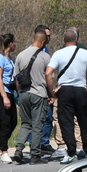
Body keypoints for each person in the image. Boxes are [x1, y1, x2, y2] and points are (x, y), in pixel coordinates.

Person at [46, 28, 87, 164]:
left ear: (64, 40)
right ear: (77, 40)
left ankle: (71, 152)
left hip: (65, 90)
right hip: (81, 90)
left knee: (66, 122)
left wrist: (52, 91)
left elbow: (48, 73)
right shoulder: (85, 53)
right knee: (84, 121)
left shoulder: (58, 54)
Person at [12, 27, 52, 165]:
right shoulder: (45, 57)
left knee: (25, 123)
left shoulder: (20, 55)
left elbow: (16, 78)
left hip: (23, 94)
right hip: (38, 94)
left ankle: (18, 149)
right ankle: (35, 154)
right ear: (42, 42)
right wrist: (51, 94)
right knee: (37, 124)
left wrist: (19, 94)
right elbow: (49, 78)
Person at [0, 33, 17, 164]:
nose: (15, 45)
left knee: (13, 121)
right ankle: (4, 151)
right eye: (14, 42)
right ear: (10, 43)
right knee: (5, 121)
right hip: (0, 93)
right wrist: (4, 97)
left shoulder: (10, 59)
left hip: (10, 92)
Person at [37, 25, 56, 154]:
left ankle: (44, 142)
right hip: (37, 90)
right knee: (36, 119)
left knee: (48, 117)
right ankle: (36, 145)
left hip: (46, 89)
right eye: (47, 35)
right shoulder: (32, 51)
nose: (49, 38)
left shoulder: (46, 50)